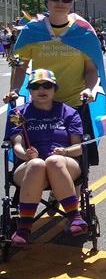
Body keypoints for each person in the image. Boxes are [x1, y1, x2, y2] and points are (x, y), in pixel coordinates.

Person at [5, 0, 106, 167]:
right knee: (39, 152)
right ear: (47, 2)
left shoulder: (83, 31)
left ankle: (65, 191)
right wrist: (14, 90)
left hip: (74, 105)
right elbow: (20, 66)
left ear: (71, 4)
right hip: (41, 105)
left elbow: (91, 69)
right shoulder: (32, 31)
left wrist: (89, 90)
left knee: (77, 156)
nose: (60, 2)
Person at [6, 69, 88, 246]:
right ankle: (25, 227)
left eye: (47, 85)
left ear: (54, 89)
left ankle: (74, 217)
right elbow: (17, 144)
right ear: (29, 90)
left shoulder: (69, 112)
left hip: (64, 163)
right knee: (37, 164)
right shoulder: (18, 114)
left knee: (53, 161)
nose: (41, 89)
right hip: (29, 169)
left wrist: (65, 152)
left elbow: (78, 147)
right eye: (35, 86)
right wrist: (25, 155)